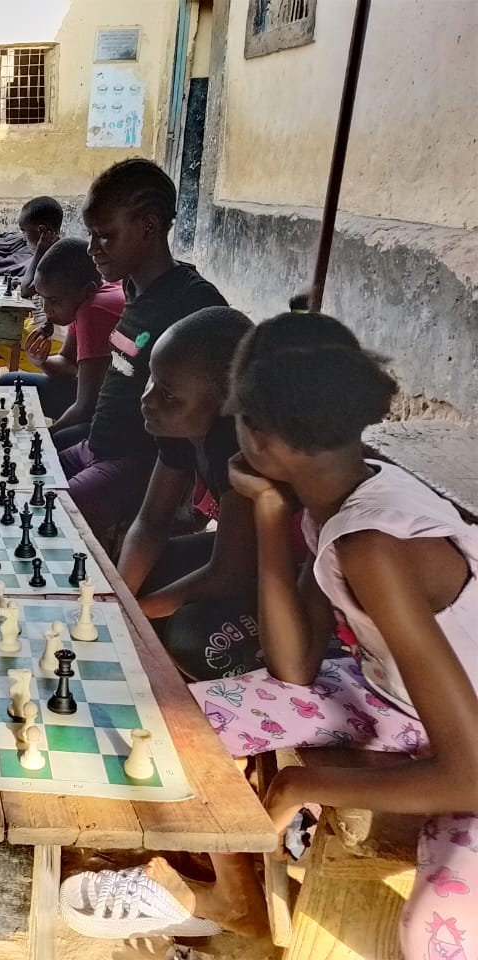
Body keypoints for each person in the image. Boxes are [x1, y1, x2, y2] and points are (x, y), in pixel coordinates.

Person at [63, 314, 478, 951]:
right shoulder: (337, 495)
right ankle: (230, 898)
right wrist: (268, 511)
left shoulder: (376, 544)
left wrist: (308, 782)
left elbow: (468, 772)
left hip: (460, 745)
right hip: (389, 697)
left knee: (432, 937)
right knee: (178, 727)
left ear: (259, 434)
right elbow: (293, 667)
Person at [59, 159, 227, 536]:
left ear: (148, 227)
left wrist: (187, 502)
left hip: (140, 465)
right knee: (19, 475)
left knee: (47, 517)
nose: (91, 249)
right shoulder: (133, 289)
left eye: (104, 236)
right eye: (90, 235)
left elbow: (214, 414)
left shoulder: (192, 305)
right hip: (97, 444)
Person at [115, 307, 261, 680]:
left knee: (195, 635)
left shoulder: (236, 448)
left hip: (293, 578)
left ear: (223, 404)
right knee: (140, 569)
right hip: (243, 560)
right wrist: (117, 600)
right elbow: (150, 522)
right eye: (151, 379)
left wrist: (139, 612)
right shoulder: (181, 431)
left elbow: (231, 573)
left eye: (168, 395)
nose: (148, 399)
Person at [0, 238, 124, 437]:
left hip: (118, 413)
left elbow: (86, 406)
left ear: (87, 291)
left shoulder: (93, 310)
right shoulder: (85, 298)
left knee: (58, 441)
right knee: (8, 384)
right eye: (42, 298)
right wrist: (42, 361)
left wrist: (43, 439)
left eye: (54, 300)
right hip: (94, 396)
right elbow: (69, 364)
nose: (47, 310)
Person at [0, 195, 64, 384]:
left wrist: (38, 250)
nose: (22, 237)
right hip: (57, 335)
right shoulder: (64, 248)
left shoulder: (49, 255)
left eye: (24, 231)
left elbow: (26, 289)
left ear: (41, 231)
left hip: (49, 340)